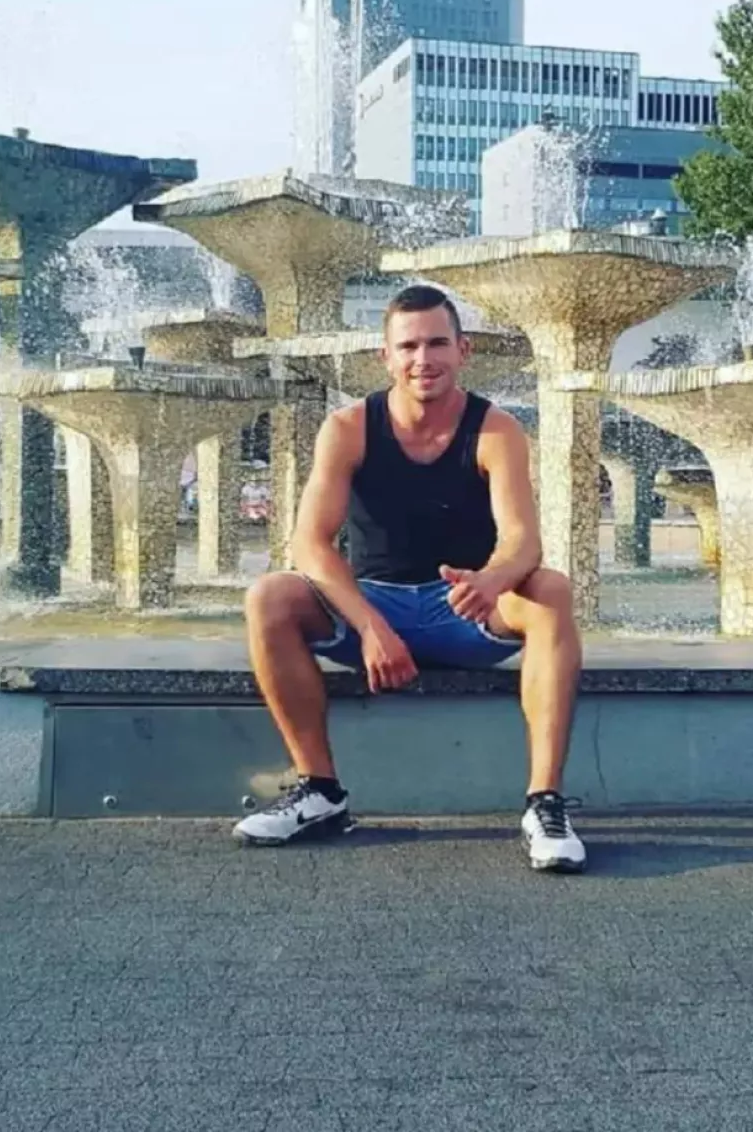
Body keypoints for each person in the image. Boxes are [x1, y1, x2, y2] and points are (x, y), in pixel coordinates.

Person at [235, 284, 587, 873]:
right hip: (372, 606)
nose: (423, 359)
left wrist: (493, 580)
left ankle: (544, 804)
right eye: (408, 346)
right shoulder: (349, 427)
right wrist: (370, 627)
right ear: (386, 357)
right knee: (270, 596)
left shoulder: (496, 430)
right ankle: (320, 792)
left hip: (465, 609)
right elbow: (309, 543)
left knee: (550, 589)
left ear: (463, 350)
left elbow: (523, 541)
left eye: (437, 344)